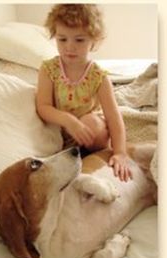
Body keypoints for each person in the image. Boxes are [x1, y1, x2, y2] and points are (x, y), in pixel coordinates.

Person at [36, 4, 132, 182]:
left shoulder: (99, 77)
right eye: (62, 39)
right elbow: (43, 107)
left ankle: (92, 159)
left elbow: (114, 118)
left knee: (90, 121)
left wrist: (120, 152)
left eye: (79, 40)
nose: (69, 47)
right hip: (62, 135)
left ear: (94, 40)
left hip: (90, 136)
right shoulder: (49, 70)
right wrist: (68, 120)